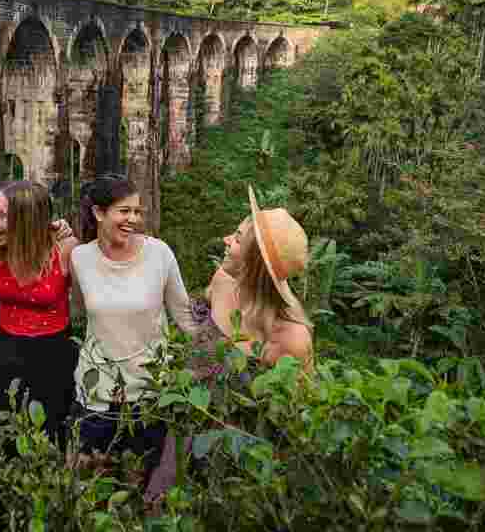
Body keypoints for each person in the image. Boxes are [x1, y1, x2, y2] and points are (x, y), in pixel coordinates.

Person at [144, 185, 313, 503]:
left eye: (236, 237)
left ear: (253, 259)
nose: (225, 239)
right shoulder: (221, 283)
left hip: (236, 460)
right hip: (182, 435)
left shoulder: (291, 337)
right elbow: (196, 322)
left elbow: (295, 423)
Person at [69, 174, 198, 474]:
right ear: (99, 213)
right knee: (87, 482)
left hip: (149, 393)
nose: (133, 219)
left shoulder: (159, 253)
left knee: (141, 481)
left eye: (137, 211)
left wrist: (225, 352)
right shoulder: (79, 258)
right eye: (124, 211)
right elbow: (77, 312)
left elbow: (184, 315)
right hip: (95, 393)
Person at [0, 180, 79, 517]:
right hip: (6, 347)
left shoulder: (62, 249)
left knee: (49, 429)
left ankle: (44, 507)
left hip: (52, 353)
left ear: (25, 220)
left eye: (2, 214)